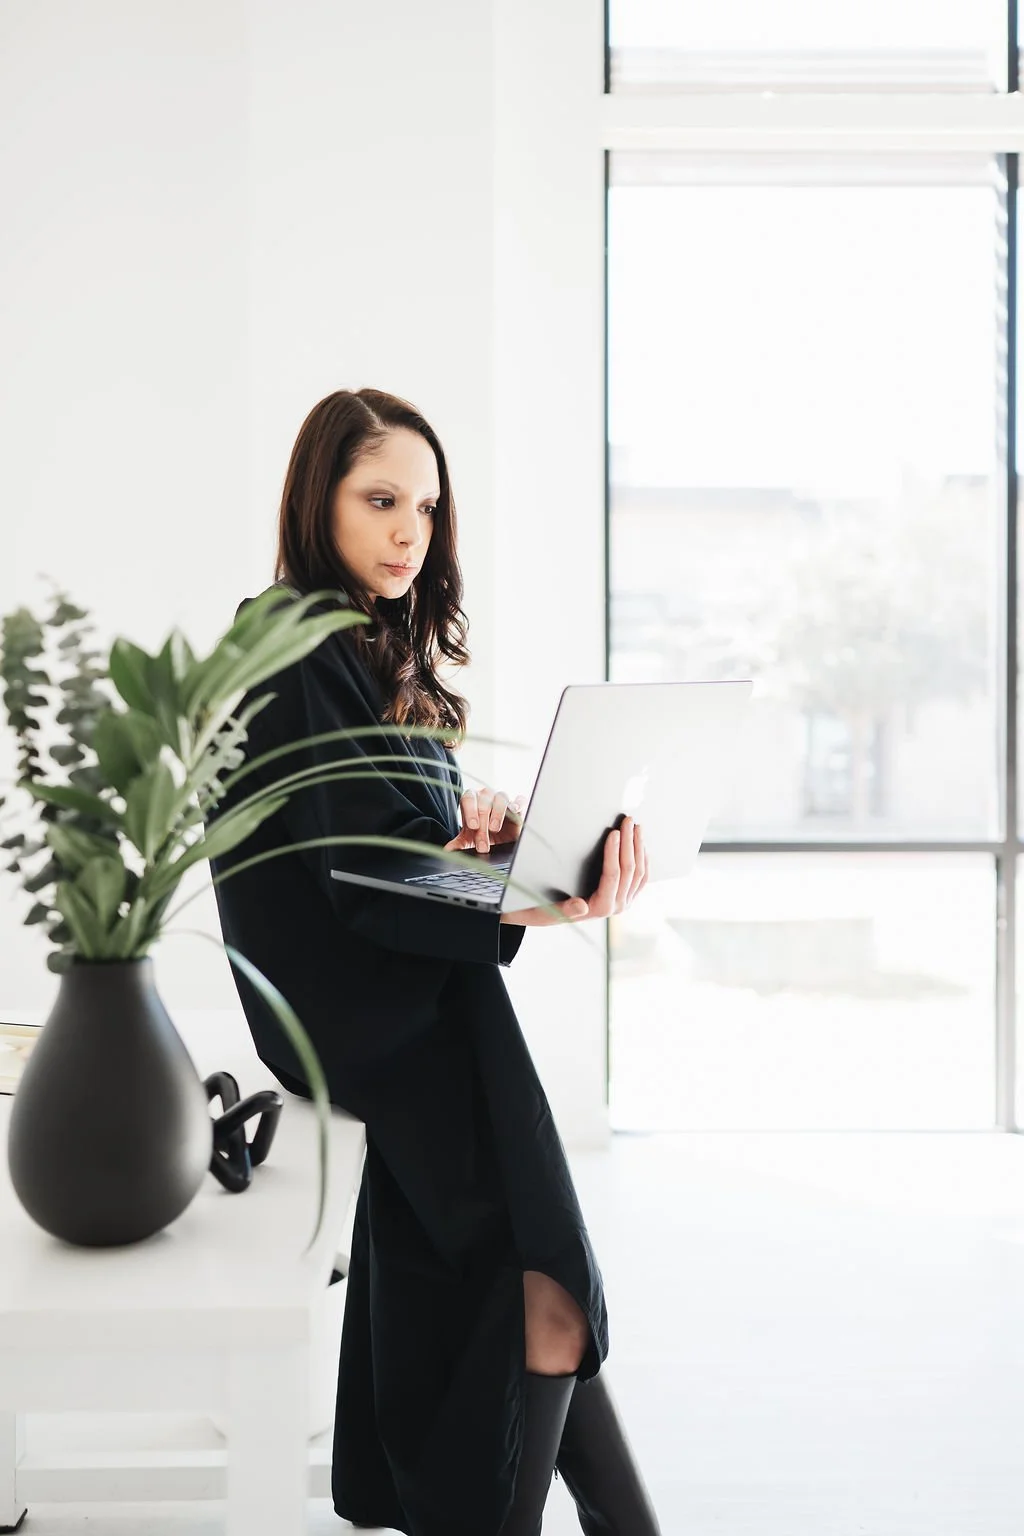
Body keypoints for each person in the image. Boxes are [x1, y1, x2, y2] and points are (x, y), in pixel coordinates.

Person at [208, 388, 661, 1535]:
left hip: (418, 999)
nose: (409, 531)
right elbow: (357, 869)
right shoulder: (289, 641)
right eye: (380, 500)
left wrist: (484, 827)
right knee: (549, 1290)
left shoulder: (364, 642)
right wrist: (539, 902)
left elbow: (392, 832)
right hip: (369, 1016)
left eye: (424, 507)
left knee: (533, 1288)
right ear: (318, 501)